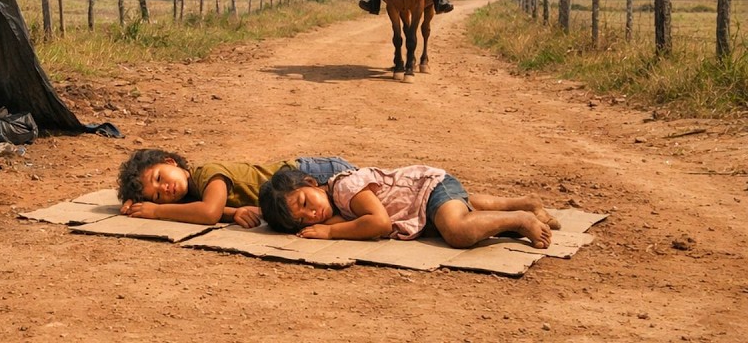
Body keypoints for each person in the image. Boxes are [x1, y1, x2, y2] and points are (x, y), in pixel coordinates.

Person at [258, 165, 560, 249]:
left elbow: (379, 225)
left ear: (312, 183)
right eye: (302, 220)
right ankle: (528, 204)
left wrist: (330, 233)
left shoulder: (345, 188)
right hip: (425, 201)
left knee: (457, 231)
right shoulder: (334, 203)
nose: (313, 215)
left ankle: (520, 219)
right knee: (463, 207)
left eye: (305, 203)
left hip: (428, 191)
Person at [116, 148, 355, 227]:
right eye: (157, 196)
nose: (165, 188)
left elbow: (209, 213)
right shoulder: (190, 197)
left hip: (310, 178)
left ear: (171, 161)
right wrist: (135, 204)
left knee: (365, 209)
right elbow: (208, 210)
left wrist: (156, 211)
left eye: (159, 177)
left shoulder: (207, 174)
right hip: (291, 200)